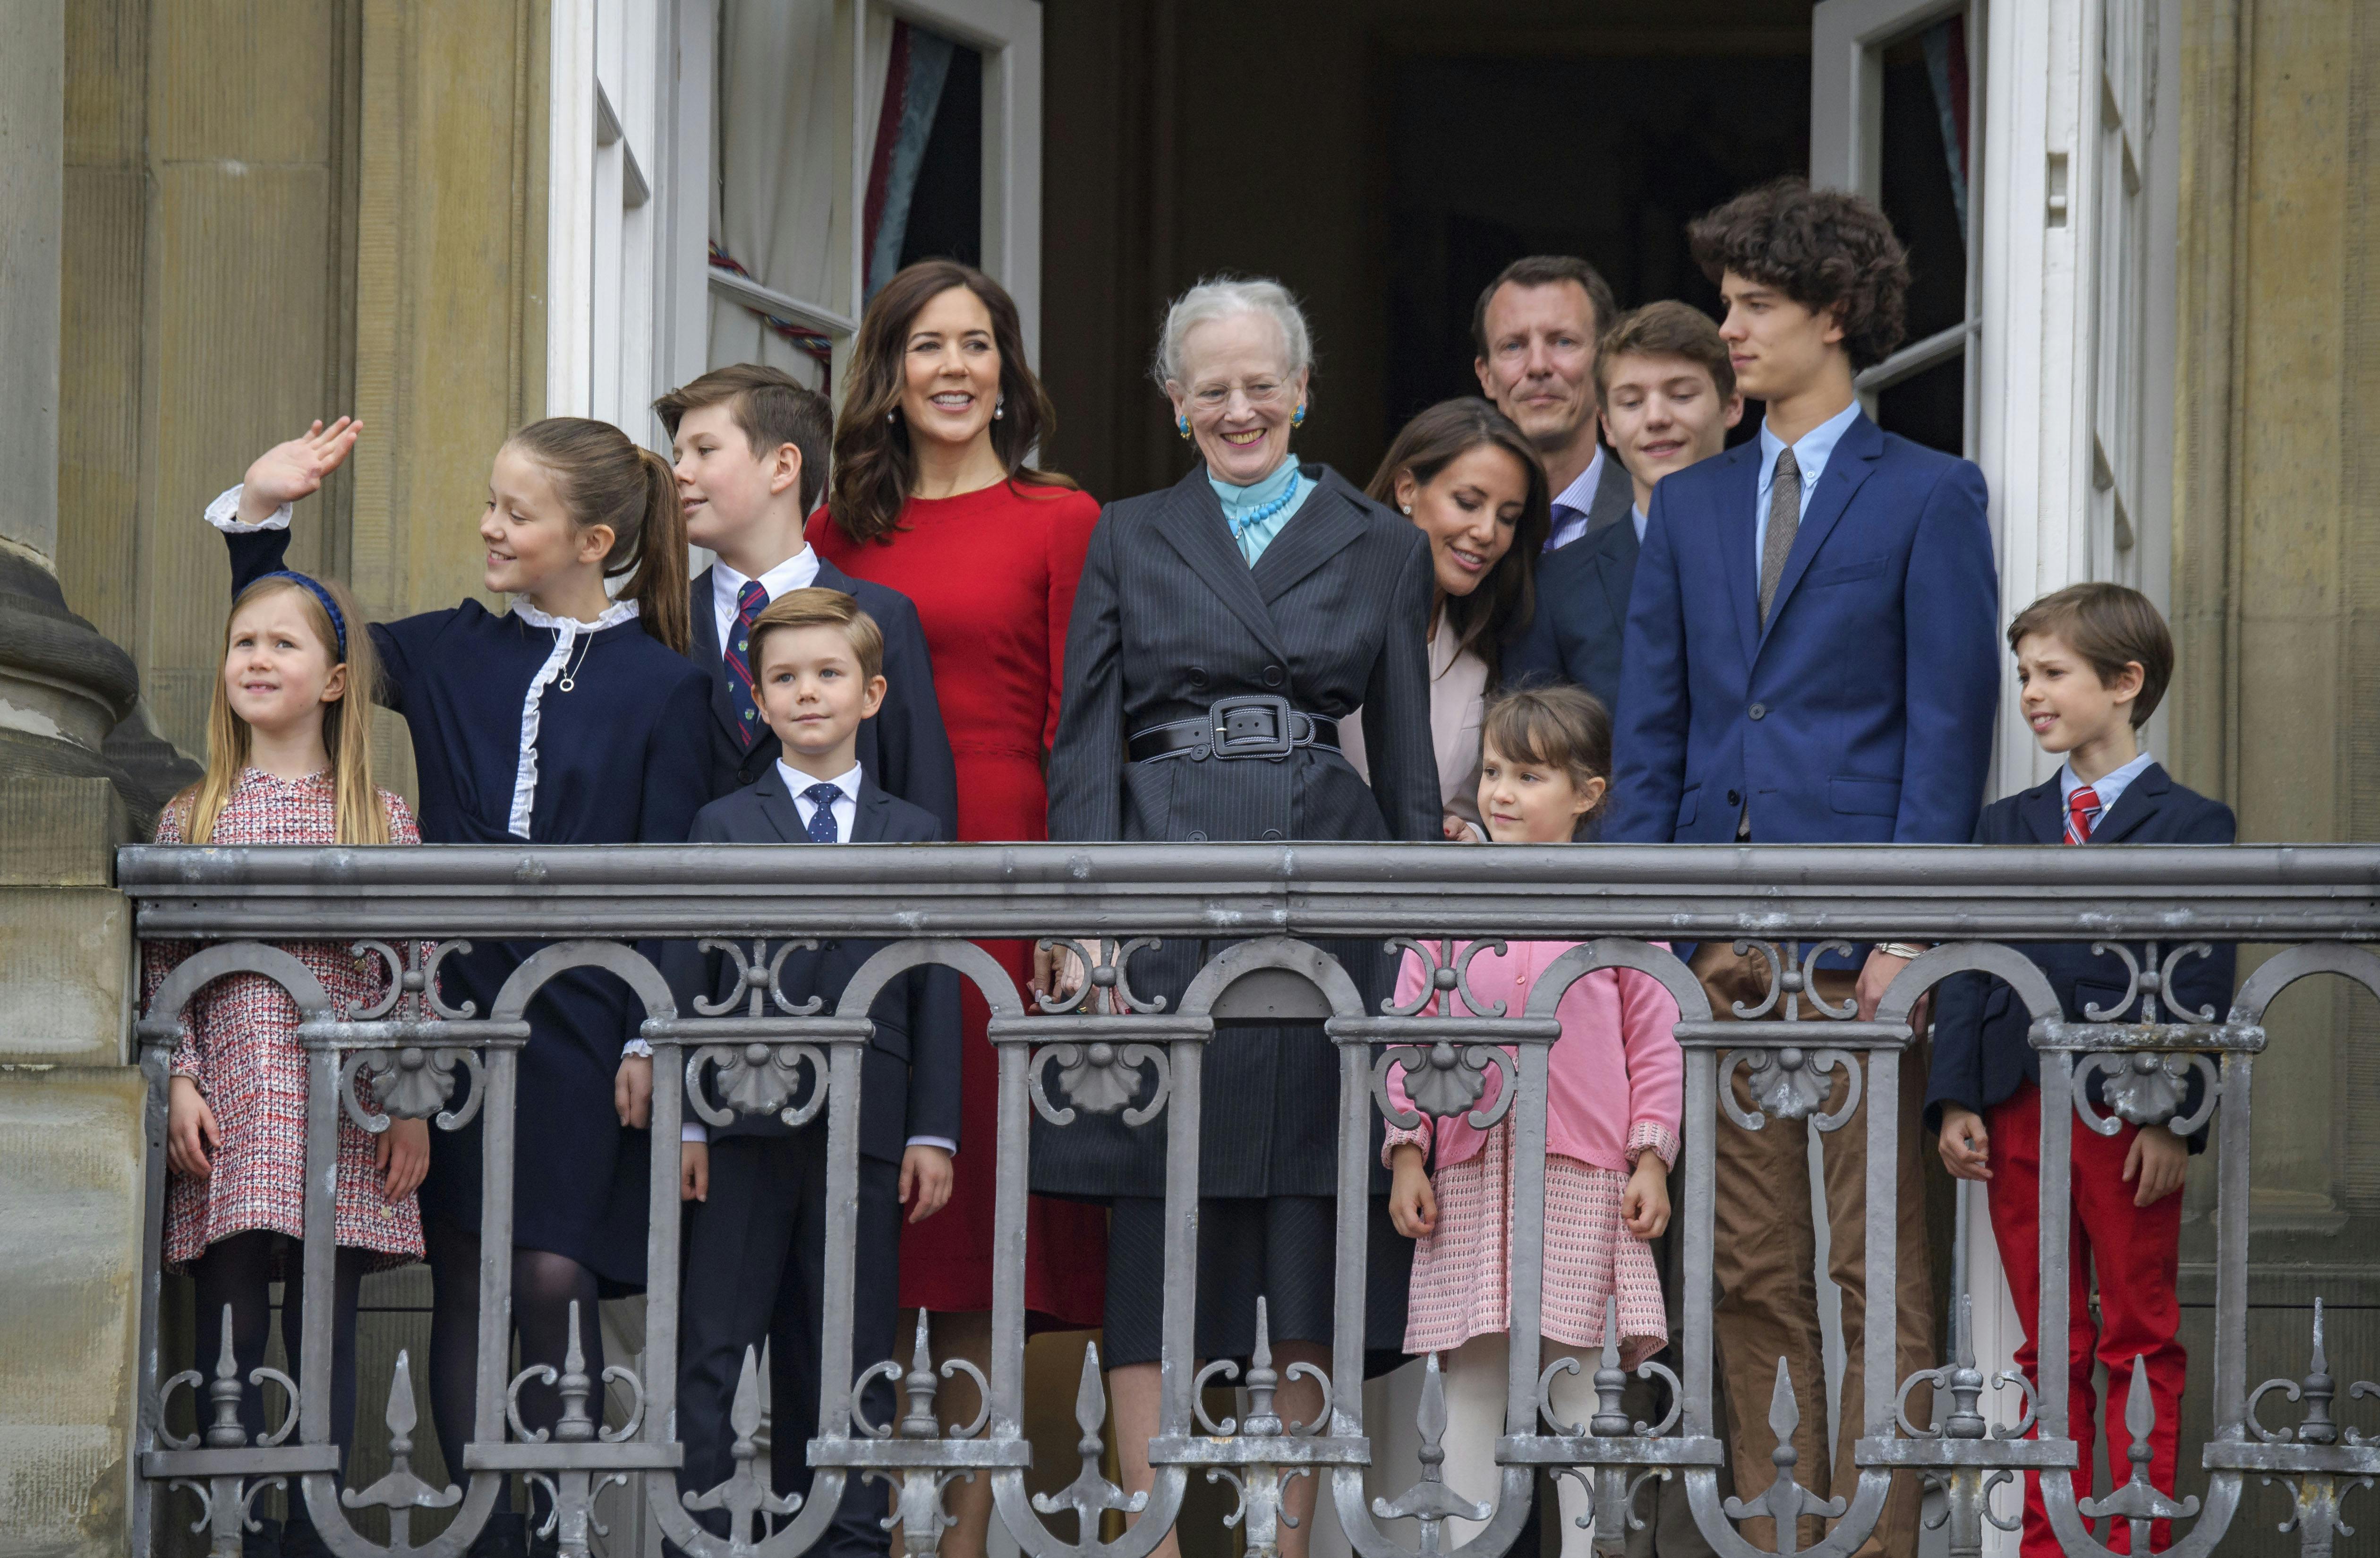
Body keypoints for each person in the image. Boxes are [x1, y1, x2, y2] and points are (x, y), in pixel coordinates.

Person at [208, 415, 712, 1558]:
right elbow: (293, 646)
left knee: (549, 1270)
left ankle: (556, 1524)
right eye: (489, 501)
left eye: (514, 512)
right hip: (447, 1009)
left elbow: (679, 882)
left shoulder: (666, 689)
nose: (488, 525)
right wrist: (259, 518)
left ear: (591, 539)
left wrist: (655, 1035)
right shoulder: (448, 649)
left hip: (588, 1018)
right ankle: (488, 1535)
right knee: (471, 1272)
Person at [1607, 179, 1999, 1557]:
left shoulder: (1931, 494)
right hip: (1715, 940)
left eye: (1752, 306)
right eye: (1726, 304)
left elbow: (1945, 733)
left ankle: (1875, 1541)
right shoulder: (1694, 499)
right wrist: (1637, 931)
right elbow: (1651, 727)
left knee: (1864, 1263)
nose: (1729, 331)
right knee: (1748, 1268)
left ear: (1830, 316)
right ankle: (1778, 1536)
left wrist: (1901, 933)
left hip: (1855, 950)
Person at [1041, 274, 1439, 1558]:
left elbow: (1411, 763)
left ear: (1303, 388)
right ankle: (1156, 1542)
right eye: (1208, 385)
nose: (1237, 405)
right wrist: (1081, 909)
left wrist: (1421, 939)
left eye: (1260, 381)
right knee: (1154, 1219)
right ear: (1171, 402)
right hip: (1161, 879)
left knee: (1310, 1217)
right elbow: (1084, 734)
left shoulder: (1381, 540)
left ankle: (1283, 1546)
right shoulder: (1127, 531)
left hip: (1322, 881)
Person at [806, 258, 1109, 1558]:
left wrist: (1066, 900)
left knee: (986, 1212)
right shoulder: (835, 534)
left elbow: (1079, 720)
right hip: (871, 876)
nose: (951, 368)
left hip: (1006, 867)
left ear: (1005, 370)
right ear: (885, 369)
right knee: (878, 1195)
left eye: (975, 345)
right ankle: (866, 1515)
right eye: (924, 345)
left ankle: (966, 1530)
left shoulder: (1062, 517)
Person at [1929, 584, 2233, 1558]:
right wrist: (1954, 1098)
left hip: (2123, 1113)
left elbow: (2201, 981)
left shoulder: (2192, 823)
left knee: (2135, 1323)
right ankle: (2045, 1541)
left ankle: (2131, 1531)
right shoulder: (2002, 821)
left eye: (2050, 672)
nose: (2029, 692)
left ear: (2124, 682)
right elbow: (1970, 964)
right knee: (2042, 1337)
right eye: (2023, 674)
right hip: (2015, 1109)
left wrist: (2171, 1118)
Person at [668, 588, 961, 1558]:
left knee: (841, 1347)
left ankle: (840, 1539)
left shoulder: (913, 831)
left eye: (828, 673)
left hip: (868, 1128)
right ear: (756, 697)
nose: (807, 692)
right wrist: (688, 1124)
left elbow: (929, 986)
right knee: (712, 1343)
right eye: (784, 678)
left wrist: (932, 1130)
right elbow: (690, 980)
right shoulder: (720, 822)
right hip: (743, 1124)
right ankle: (698, 1534)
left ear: (872, 693)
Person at [149, 570, 428, 1558]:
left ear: (337, 678)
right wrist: (178, 1075)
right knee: (228, 1317)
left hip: (340, 1105)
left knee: (326, 1323)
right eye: (244, 643)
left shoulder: (380, 817)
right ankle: (230, 1521)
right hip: (228, 1093)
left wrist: (411, 1102)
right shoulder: (193, 812)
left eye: (283, 644)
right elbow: (163, 971)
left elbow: (413, 974)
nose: (257, 659)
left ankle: (310, 1524)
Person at [1384, 686, 1681, 1556]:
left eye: (1528, 773)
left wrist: (1650, 1156)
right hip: (1473, 1178)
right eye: (1491, 771)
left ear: (1587, 793)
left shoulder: (1615, 901)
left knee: (1585, 1393)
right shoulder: (1449, 903)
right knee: (1472, 1386)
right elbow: (1409, 1030)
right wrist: (1407, 1151)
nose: (1500, 791)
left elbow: (1656, 1043)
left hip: (1581, 1177)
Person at [655, 364, 957, 825]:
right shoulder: (659, 618)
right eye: (678, 456)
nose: (679, 472)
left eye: (704, 451)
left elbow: (922, 799)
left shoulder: (882, 617)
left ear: (782, 466)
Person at [1506, 301, 1744, 711]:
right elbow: (1532, 753)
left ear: (1732, 405)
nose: (1655, 418)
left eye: (1681, 395)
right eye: (1631, 403)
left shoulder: (1789, 549)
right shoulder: (1555, 588)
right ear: (1607, 425)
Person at [1340, 398, 1550, 840]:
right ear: (1406, 491)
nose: (1487, 532)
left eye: (1507, 517)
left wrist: (1470, 829)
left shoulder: (1486, 644)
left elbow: (1471, 801)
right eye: (1468, 502)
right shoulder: (1325, 613)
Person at [1471, 256, 1630, 553]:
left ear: (1607, 364)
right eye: (1514, 346)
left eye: (1563, 342)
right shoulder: (1452, 535)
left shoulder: (1653, 521)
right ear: (1486, 376)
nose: (1538, 366)